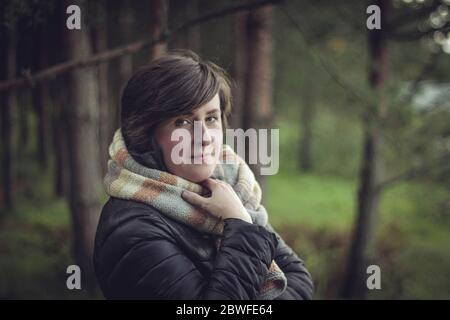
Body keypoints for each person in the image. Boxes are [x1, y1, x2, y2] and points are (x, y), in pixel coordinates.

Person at [93, 50, 313, 300]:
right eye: (183, 122)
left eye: (211, 118)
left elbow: (299, 279)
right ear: (147, 134)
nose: (205, 138)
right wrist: (239, 225)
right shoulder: (133, 230)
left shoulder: (229, 191)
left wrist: (238, 220)